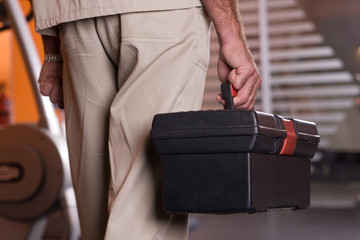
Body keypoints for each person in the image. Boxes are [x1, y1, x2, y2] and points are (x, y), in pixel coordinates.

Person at [31, 0, 262, 239]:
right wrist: (232, 36)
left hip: (75, 16)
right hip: (162, 12)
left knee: (96, 214)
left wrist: (52, 49)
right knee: (147, 212)